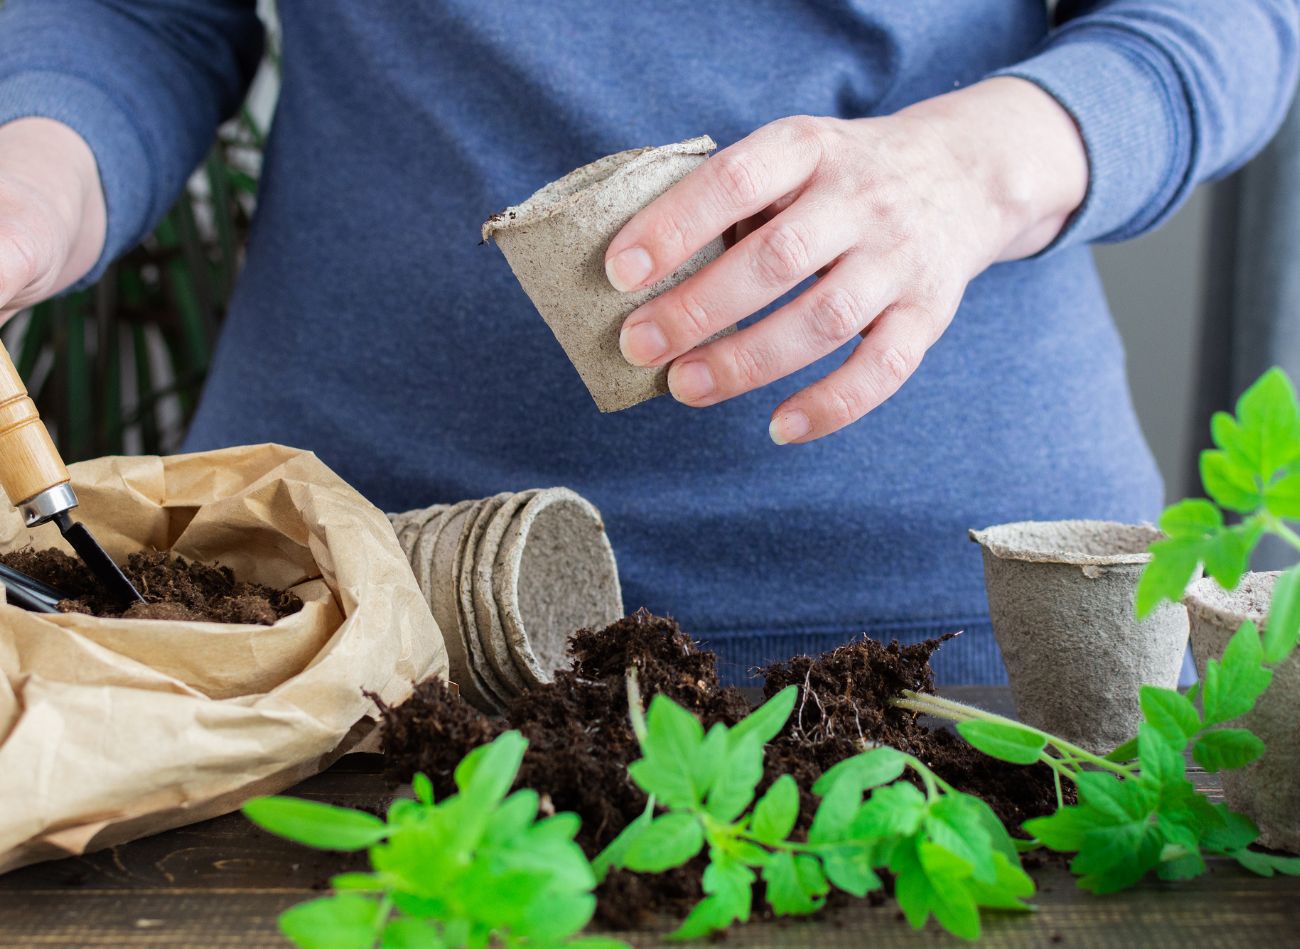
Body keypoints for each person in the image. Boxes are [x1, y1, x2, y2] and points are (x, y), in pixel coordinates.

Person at [0, 1, 1295, 684]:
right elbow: (139, 8)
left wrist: (981, 166)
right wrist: (37, 176)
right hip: (340, 615)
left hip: (978, 641)